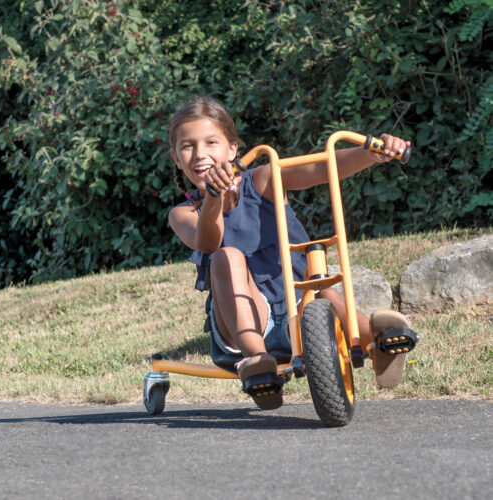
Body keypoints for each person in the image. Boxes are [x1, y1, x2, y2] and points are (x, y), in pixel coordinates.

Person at [168, 96, 416, 410]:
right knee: (226, 256)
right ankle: (259, 364)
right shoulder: (184, 213)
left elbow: (321, 166)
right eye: (187, 146)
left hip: (300, 312)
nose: (200, 154)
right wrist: (213, 199)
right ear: (176, 157)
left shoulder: (262, 179)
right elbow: (207, 242)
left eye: (210, 142)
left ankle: (383, 341)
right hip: (243, 327)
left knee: (325, 294)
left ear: (232, 149)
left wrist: (371, 153)